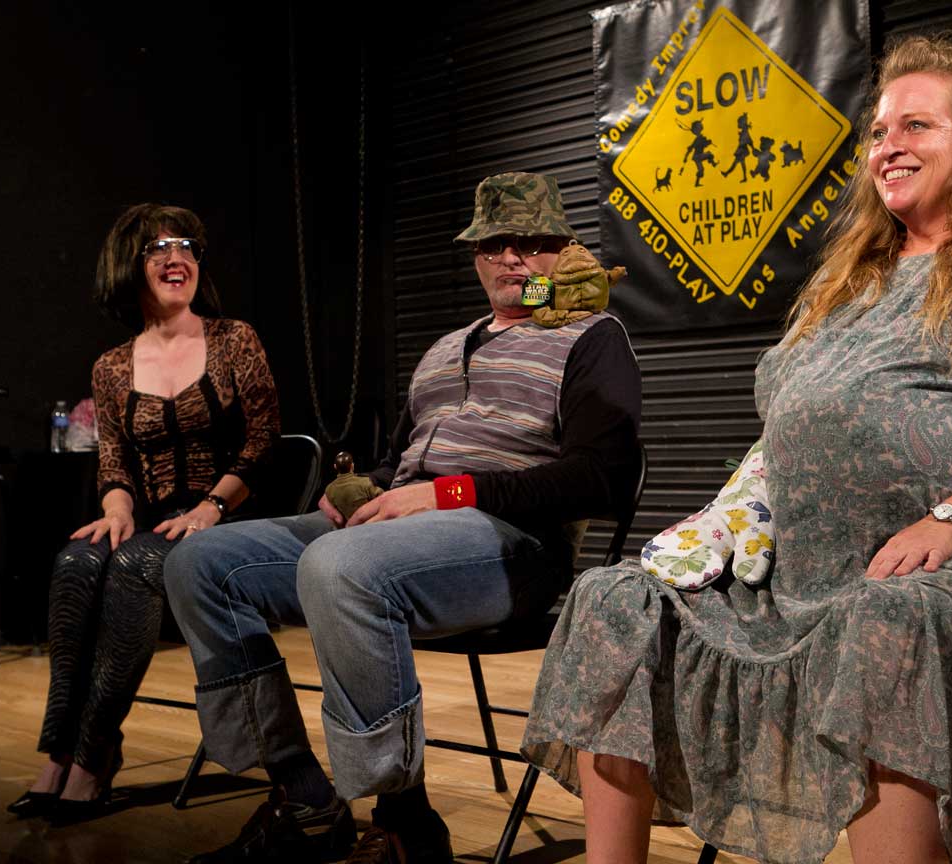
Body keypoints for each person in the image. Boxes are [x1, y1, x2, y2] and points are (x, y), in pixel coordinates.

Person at [521, 34, 952, 864]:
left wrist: (948, 521)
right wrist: (726, 520)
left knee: (884, 618)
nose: (889, 147)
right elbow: (787, 429)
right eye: (880, 131)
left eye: (916, 126)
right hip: (800, 560)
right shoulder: (844, 279)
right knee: (614, 597)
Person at [165, 172, 643, 864]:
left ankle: (405, 823)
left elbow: (605, 477)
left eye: (535, 245)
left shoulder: (594, 336)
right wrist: (363, 487)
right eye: (497, 244)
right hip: (398, 533)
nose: (515, 259)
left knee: (341, 567)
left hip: (513, 547)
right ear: (476, 255)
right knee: (202, 564)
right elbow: (403, 465)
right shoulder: (446, 347)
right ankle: (302, 796)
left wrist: (448, 493)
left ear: (563, 251)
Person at [7, 204, 280, 825]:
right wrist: (116, 507)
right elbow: (113, 459)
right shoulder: (110, 365)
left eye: (185, 246)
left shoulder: (234, 338)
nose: (174, 257)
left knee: (133, 565)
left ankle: (95, 752)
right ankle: (58, 752)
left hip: (228, 515)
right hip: (150, 518)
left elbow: (263, 441)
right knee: (78, 559)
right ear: (129, 268)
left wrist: (212, 506)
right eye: (157, 248)